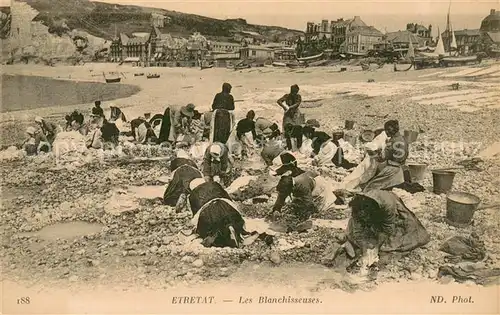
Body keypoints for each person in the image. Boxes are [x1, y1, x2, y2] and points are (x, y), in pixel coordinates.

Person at [336, 190, 430, 271]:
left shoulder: (387, 205)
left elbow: (387, 229)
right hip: (375, 216)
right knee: (353, 235)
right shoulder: (357, 207)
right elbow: (358, 231)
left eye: (365, 216)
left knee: (406, 239)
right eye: (361, 216)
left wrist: (377, 247)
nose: (363, 218)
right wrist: (364, 250)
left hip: (392, 216)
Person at [188, 178, 247, 248]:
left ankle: (217, 235)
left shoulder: (192, 195)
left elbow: (195, 218)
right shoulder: (215, 184)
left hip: (207, 212)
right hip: (226, 206)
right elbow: (228, 198)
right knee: (233, 219)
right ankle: (233, 228)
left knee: (208, 228)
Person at [270, 171, 337, 232]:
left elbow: (308, 203)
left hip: (318, 186)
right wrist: (276, 209)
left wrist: (300, 218)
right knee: (296, 204)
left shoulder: (303, 185)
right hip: (307, 182)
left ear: (292, 188)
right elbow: (281, 196)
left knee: (319, 209)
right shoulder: (287, 183)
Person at [361, 120, 409, 192]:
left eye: (386, 130)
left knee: (370, 187)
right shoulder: (403, 139)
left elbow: (382, 158)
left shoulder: (393, 141)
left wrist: (372, 153)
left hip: (391, 171)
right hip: (400, 170)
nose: (386, 132)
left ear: (390, 130)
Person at [277, 84, 304, 151]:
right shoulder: (288, 96)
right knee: (287, 131)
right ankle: (290, 147)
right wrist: (285, 107)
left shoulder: (296, 96)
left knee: (297, 130)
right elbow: (279, 101)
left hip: (293, 114)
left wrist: (288, 107)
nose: (294, 93)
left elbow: (297, 104)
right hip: (290, 114)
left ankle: (297, 146)